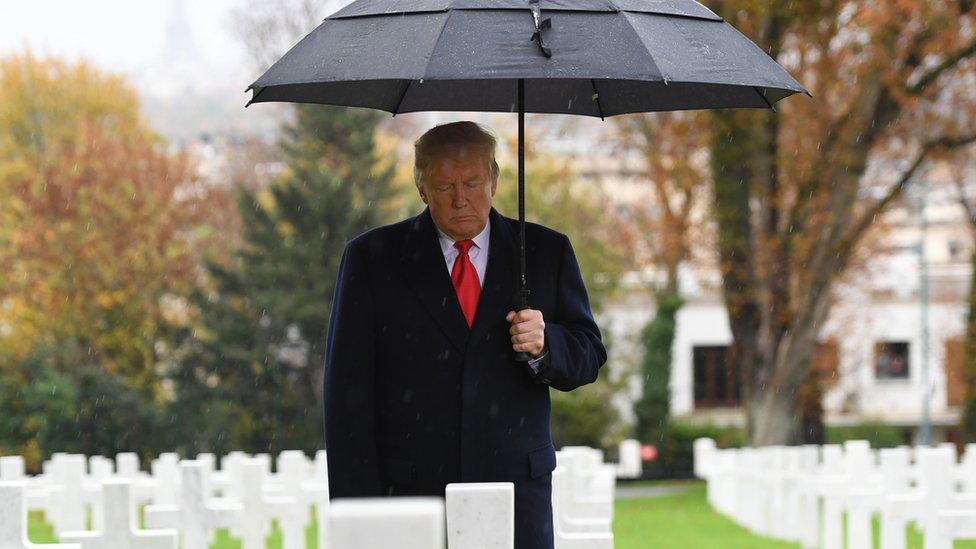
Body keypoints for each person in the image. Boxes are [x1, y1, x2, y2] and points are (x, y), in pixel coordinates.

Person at [323, 120, 607, 549]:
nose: (461, 199)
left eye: (473, 182)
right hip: (412, 499)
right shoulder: (371, 259)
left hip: (516, 496)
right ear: (421, 188)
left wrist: (547, 345)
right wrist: (356, 518)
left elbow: (588, 356)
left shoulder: (547, 251)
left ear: (494, 179)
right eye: (444, 186)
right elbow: (347, 395)